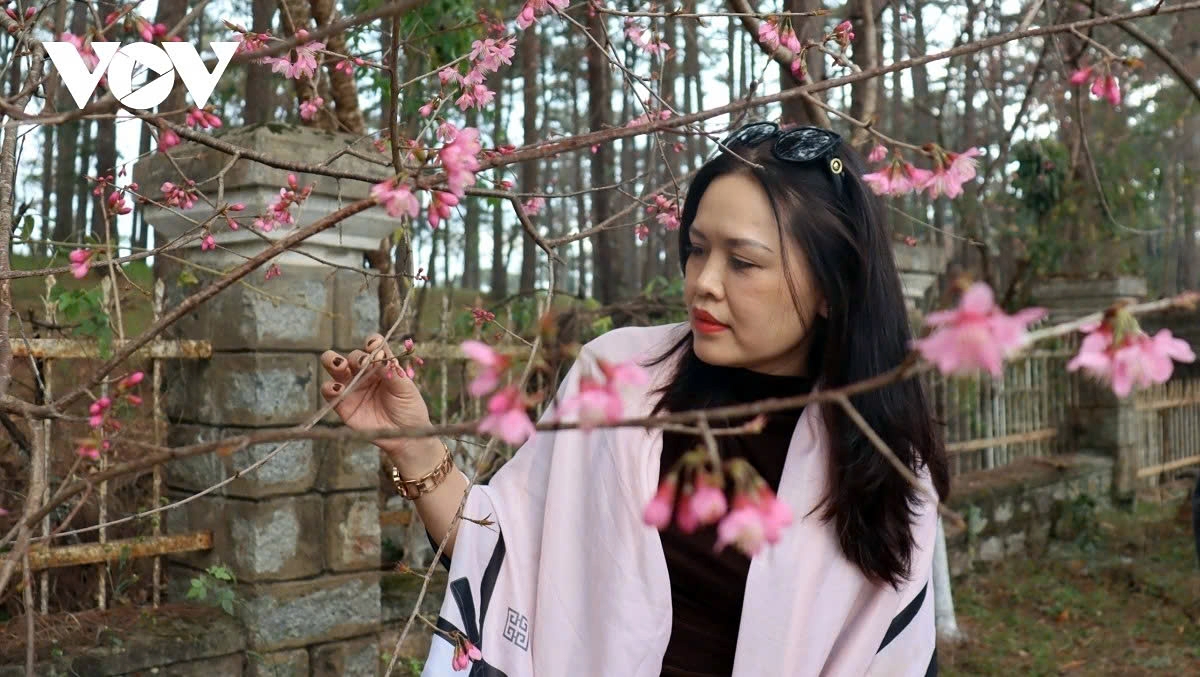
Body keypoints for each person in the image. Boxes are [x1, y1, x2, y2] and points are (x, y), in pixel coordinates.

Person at [320, 121, 950, 676]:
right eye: (698, 250)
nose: (702, 283)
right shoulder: (620, 377)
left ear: (830, 289)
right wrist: (414, 444)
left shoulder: (879, 457)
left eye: (744, 263)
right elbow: (505, 554)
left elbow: (891, 650)